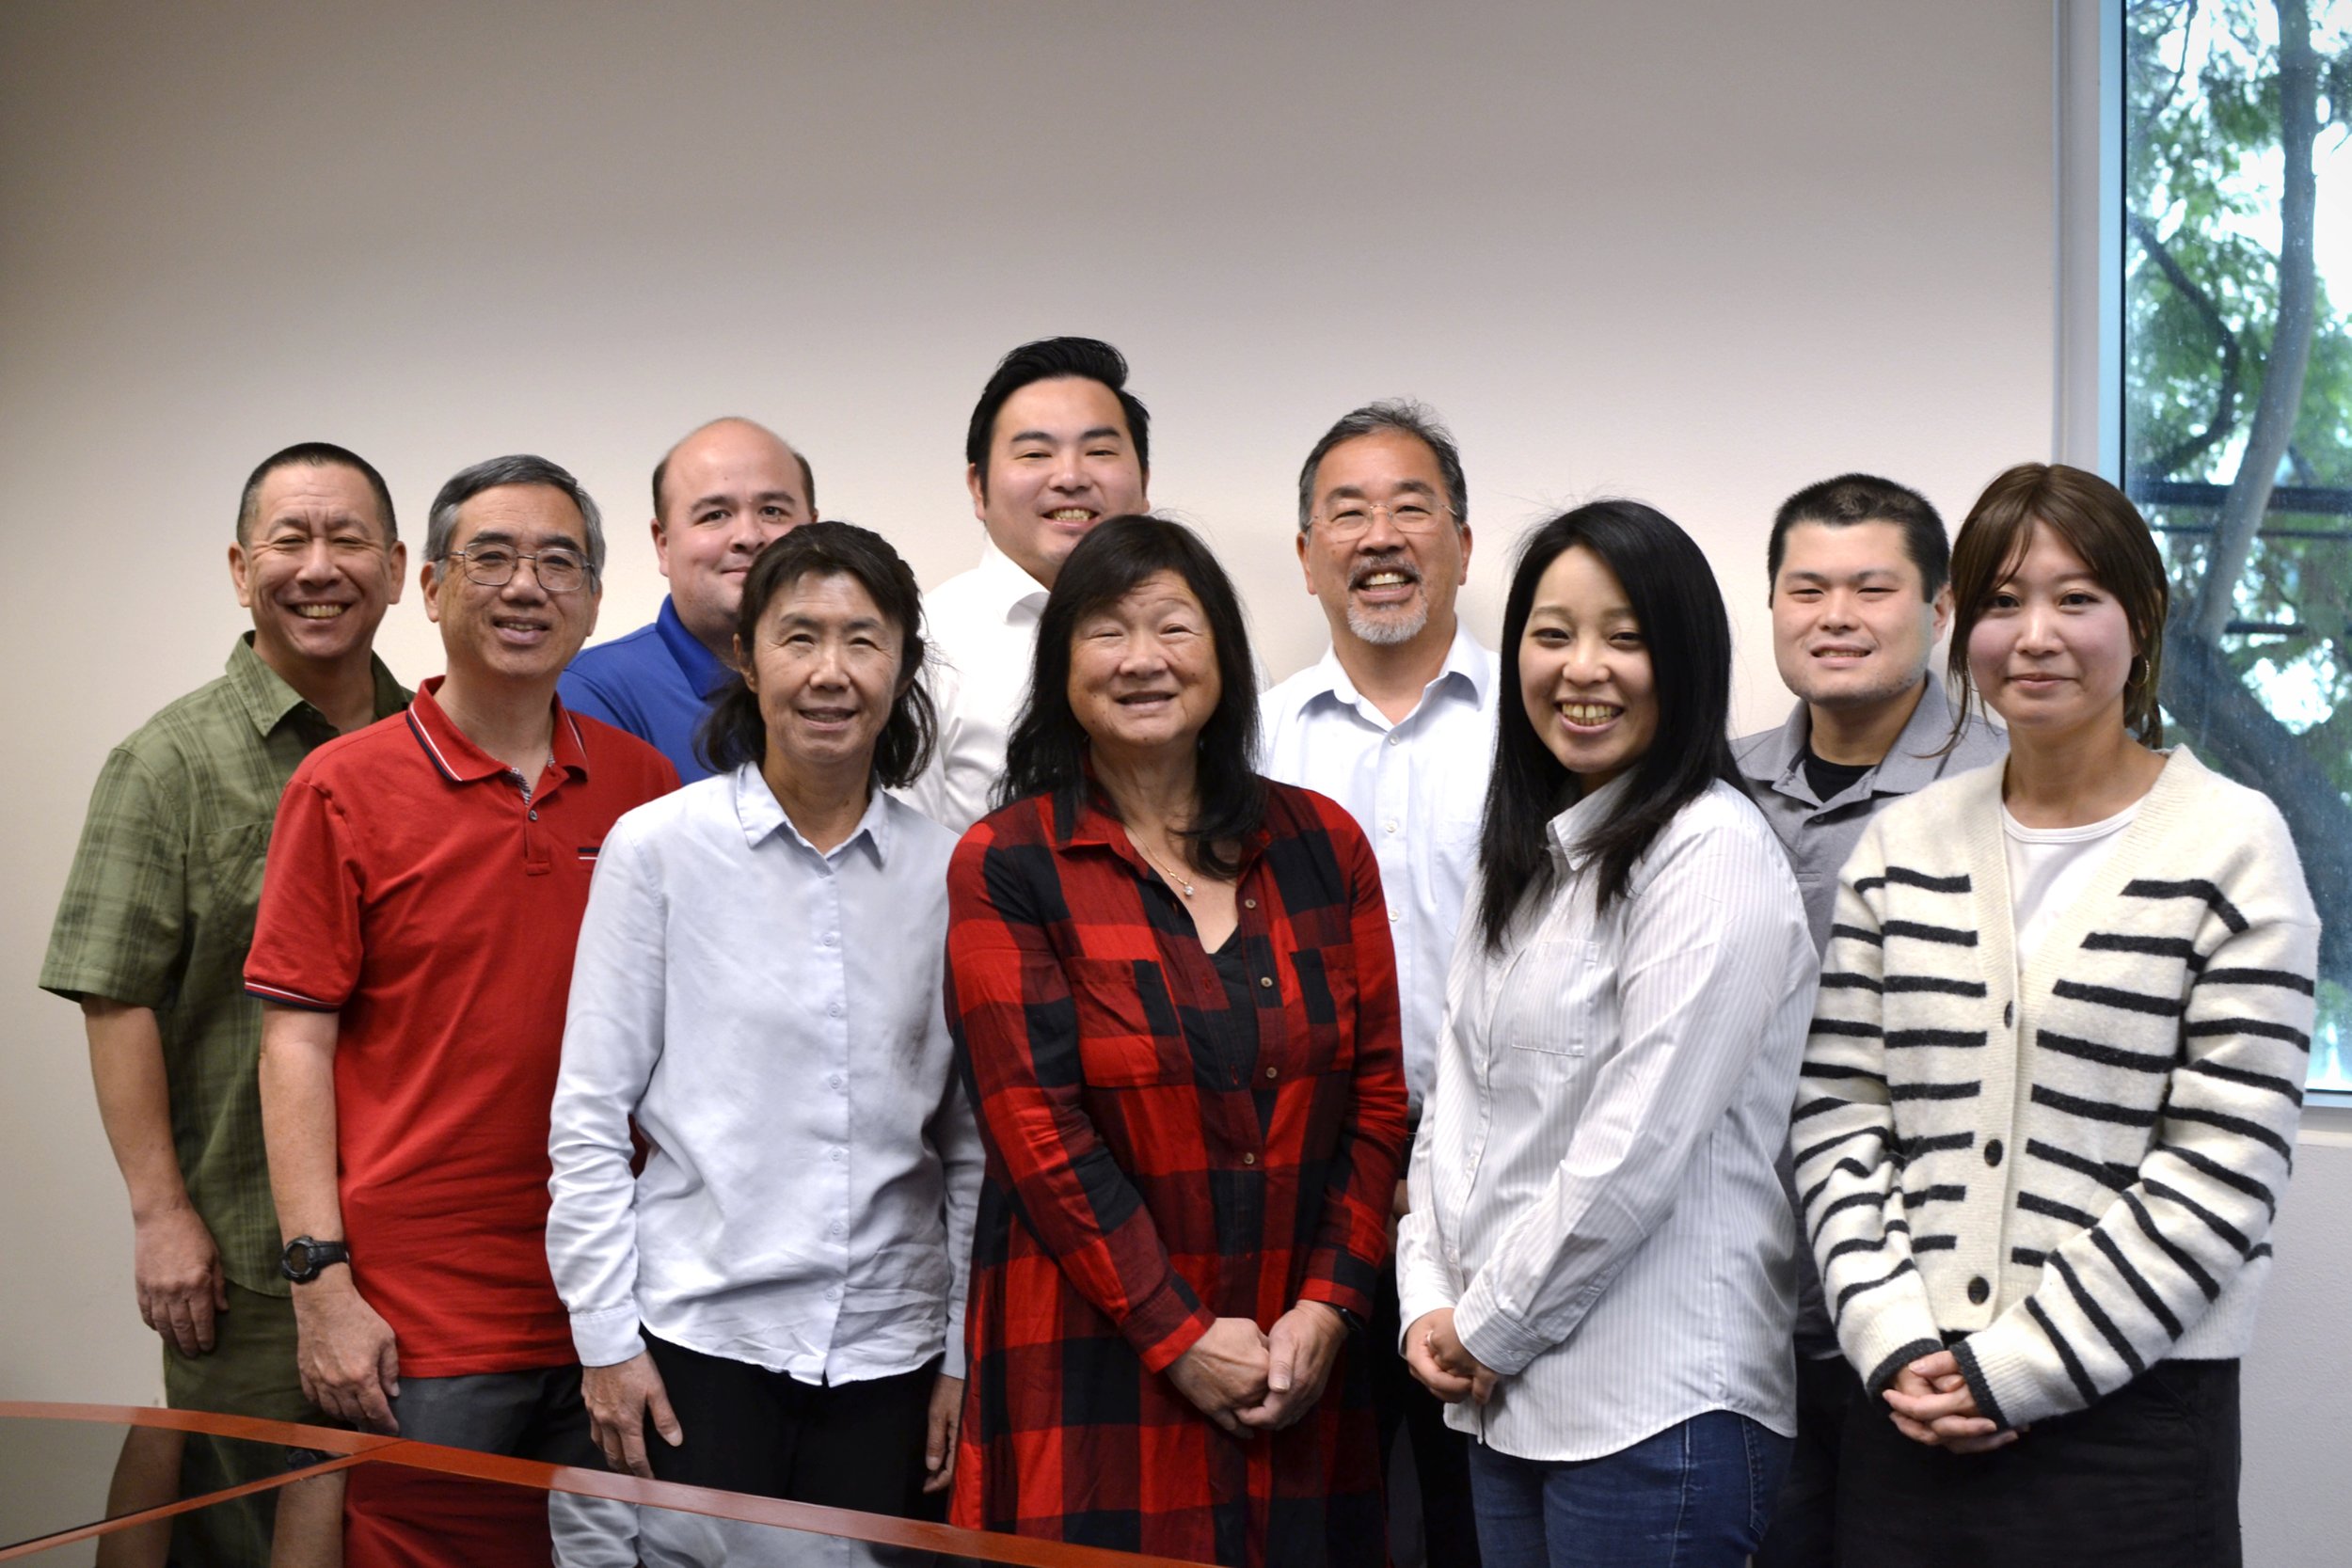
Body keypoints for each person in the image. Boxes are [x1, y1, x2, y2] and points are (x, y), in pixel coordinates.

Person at [1796, 463, 2320, 1568]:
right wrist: (1891, 1333)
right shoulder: (1902, 843)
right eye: (2001, 601)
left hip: (2133, 1423)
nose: (2033, 635)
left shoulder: (2234, 844)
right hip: (1907, 1400)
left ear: (2143, 615)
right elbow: (1840, 1112)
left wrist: (2018, 1366)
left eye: (2075, 597)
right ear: (1961, 624)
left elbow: (2226, 1159)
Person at [944, 515, 1408, 1567]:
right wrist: (1178, 1332)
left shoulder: (1323, 844)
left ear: (1223, 655)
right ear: (1062, 666)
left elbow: (1378, 1100)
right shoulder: (1009, 861)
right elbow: (1035, 1130)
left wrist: (1331, 1305)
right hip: (1093, 1353)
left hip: (1296, 1360)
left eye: (1172, 626)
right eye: (1107, 630)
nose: (1142, 658)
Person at [1398, 501, 1816, 1568]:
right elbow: (1453, 1105)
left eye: (1625, 637)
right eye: (1553, 633)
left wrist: (1485, 1323)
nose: (1582, 668)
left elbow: (1636, 1147)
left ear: (1685, 660)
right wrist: (1426, 1300)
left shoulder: (1711, 849)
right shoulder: (1525, 858)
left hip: (1658, 1409)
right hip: (1502, 1400)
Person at [547, 522, 982, 1531]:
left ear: (903, 662)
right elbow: (590, 1112)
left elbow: (969, 1146)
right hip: (700, 1341)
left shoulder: (949, 871)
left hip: (893, 1348)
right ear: (746, 657)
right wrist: (606, 1339)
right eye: (799, 637)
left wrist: (962, 1351)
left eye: (863, 640)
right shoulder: (659, 848)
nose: (831, 672)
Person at [246, 454, 676, 1462]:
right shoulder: (340, 786)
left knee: (622, 1538)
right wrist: (322, 1283)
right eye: (491, 558)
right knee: (423, 1531)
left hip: (616, 1301)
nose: (526, 586)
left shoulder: (645, 785)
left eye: (558, 562)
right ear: (433, 587)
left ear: (593, 600)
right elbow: (295, 1046)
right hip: (420, 1320)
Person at [41, 442, 410, 1420]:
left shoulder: (432, 748)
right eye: (290, 540)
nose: (320, 568)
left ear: (396, 569)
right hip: (250, 1254)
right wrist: (161, 1213)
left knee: (409, 1502)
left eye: (348, 541)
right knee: (241, 1498)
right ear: (243, 570)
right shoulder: (166, 763)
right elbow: (113, 996)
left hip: (418, 1243)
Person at [1733, 473, 2005, 1568]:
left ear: (1939, 611)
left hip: (1933, 1314)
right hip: (1745, 1304)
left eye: (1871, 588)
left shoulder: (2005, 784)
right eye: (1806, 589)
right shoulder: (1714, 788)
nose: (1834, 615)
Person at [1259, 399, 1491, 1568]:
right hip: (1309, 1210)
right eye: (1347, 512)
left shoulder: (1539, 731)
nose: (1381, 536)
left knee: (1481, 1525)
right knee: (1317, 1521)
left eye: (1412, 506)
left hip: (1498, 1206)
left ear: (1464, 542)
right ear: (1307, 556)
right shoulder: (1251, 742)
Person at [905, 336, 1151, 831]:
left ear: (1144, 481)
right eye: (1036, 454)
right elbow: (902, 850)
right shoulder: (923, 644)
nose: (1070, 477)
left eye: (1100, 450)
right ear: (978, 488)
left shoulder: (1202, 633)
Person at [560, 417, 815, 782]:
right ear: (663, 545)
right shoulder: (591, 695)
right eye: (715, 515)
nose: (748, 536)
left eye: (772, 511)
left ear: (815, 531)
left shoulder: (860, 680)